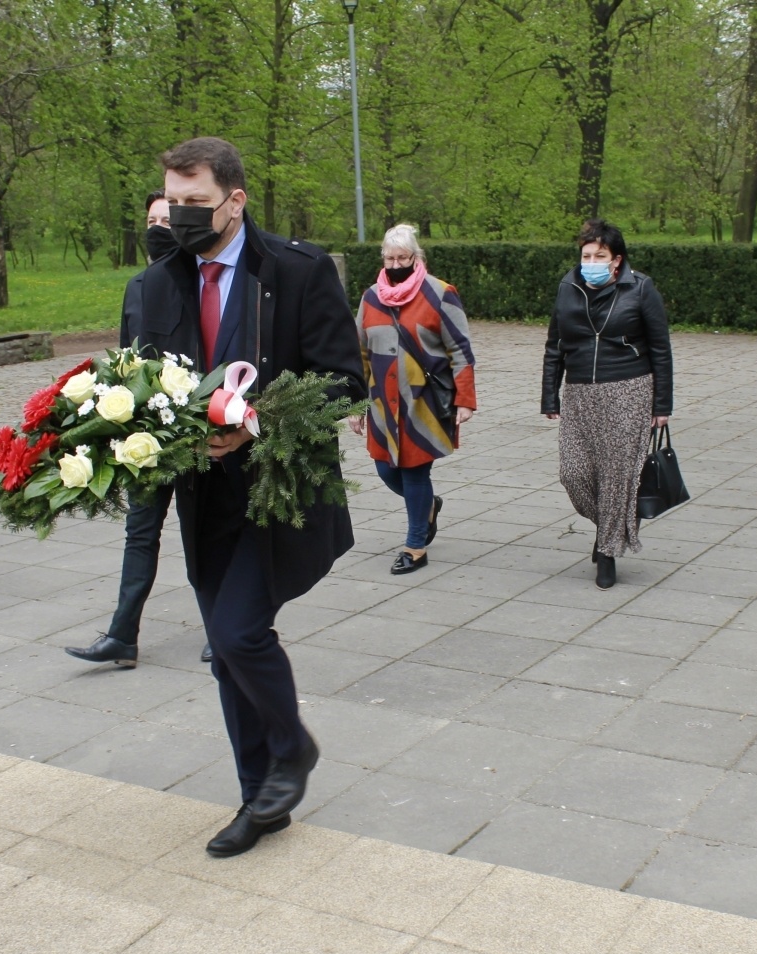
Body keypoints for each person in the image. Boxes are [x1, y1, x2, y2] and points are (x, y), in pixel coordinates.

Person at [127, 137, 365, 856]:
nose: (181, 218)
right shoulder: (155, 286)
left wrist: (252, 425)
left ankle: (292, 749)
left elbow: (343, 385)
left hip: (278, 494)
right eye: (173, 204)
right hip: (204, 502)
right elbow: (137, 390)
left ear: (236, 200)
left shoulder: (295, 271)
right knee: (230, 657)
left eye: (196, 204)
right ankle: (259, 798)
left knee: (233, 635)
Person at [65, 191, 212, 669]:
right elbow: (126, 355)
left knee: (202, 539)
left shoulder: (200, 282)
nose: (156, 229)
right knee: (140, 534)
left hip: (190, 430)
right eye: (150, 220)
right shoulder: (136, 286)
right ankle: (122, 636)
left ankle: (224, 630)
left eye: (166, 221)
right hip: (143, 433)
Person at [541, 219, 673, 589]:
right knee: (575, 473)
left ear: (617, 259)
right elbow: (555, 345)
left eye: (600, 255)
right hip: (580, 392)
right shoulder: (568, 287)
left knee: (617, 478)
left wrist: (662, 405)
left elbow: (661, 349)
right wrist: (549, 394)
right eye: (586, 254)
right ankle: (612, 528)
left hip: (628, 390)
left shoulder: (641, 288)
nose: (592, 261)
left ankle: (608, 551)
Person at [348, 224, 477, 574]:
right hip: (380, 405)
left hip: (424, 402)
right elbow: (358, 352)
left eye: (402, 257)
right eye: (389, 258)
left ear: (415, 257)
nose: (395, 264)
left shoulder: (439, 293)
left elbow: (460, 350)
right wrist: (355, 403)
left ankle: (415, 546)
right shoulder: (371, 297)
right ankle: (428, 507)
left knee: (414, 472)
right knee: (386, 470)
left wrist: (465, 399)